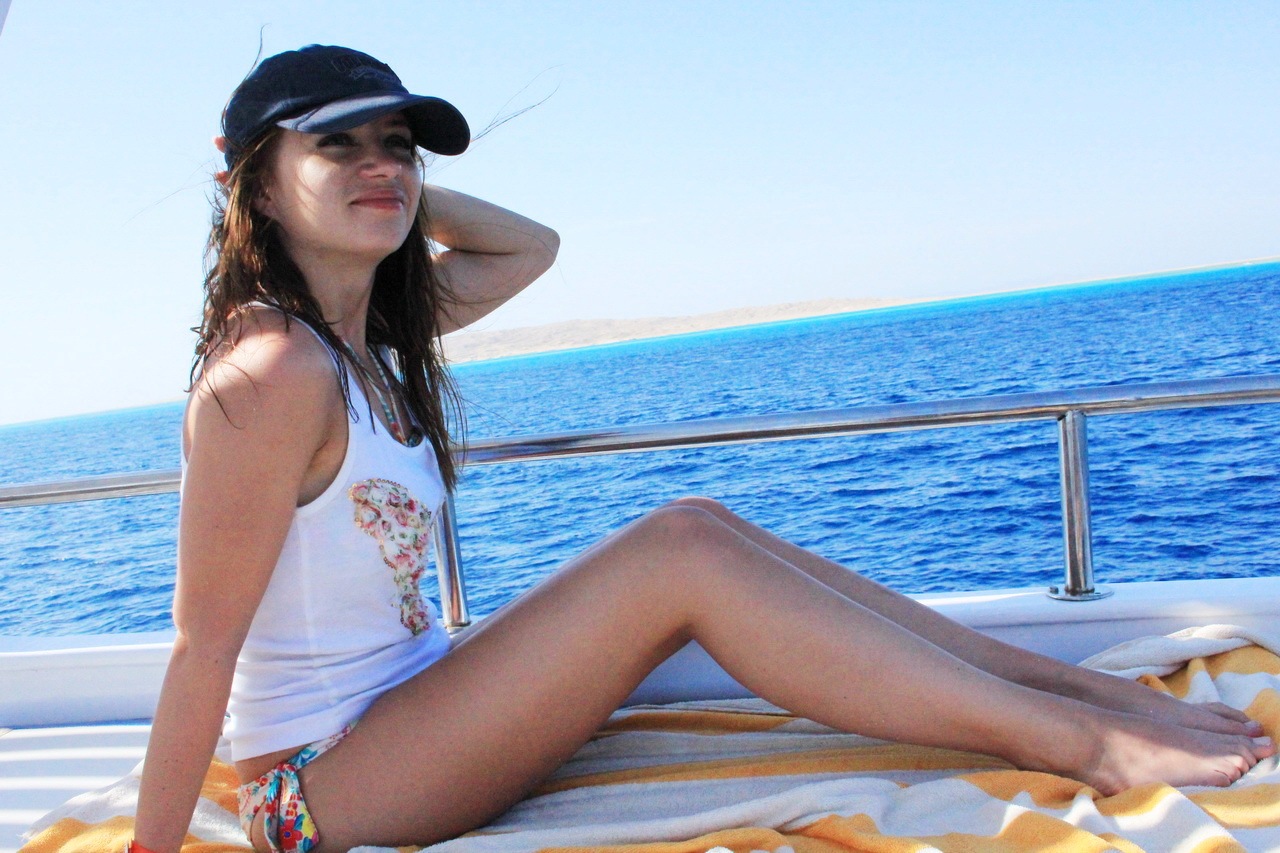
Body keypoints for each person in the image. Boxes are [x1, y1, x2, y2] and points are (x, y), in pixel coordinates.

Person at [130, 44, 1274, 853]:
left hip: (404, 716)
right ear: (255, 183)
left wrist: (386, 194)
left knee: (696, 524)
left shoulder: (363, 345)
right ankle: (1084, 742)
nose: (382, 164)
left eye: (398, 145)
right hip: (314, 793)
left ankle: (1071, 688)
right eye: (338, 145)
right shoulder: (270, 372)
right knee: (676, 555)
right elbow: (200, 647)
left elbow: (526, 247)